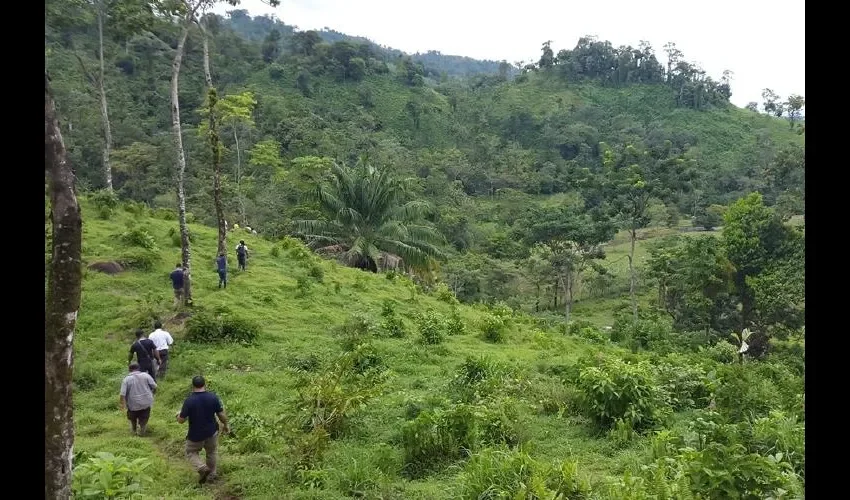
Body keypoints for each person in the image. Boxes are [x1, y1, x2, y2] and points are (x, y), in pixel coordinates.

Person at [177, 376, 230, 484]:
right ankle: (212, 474)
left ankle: (202, 467)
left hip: (195, 434)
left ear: (193, 386)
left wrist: (178, 415)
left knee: (191, 451)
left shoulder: (189, 400)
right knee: (211, 452)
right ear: (205, 384)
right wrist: (226, 424)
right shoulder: (213, 397)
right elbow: (221, 414)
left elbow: (181, 420)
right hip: (212, 432)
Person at [119, 362, 157, 436]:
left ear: (129, 370)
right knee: (145, 416)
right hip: (146, 402)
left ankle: (134, 430)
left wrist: (122, 405)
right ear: (138, 368)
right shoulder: (146, 375)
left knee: (132, 418)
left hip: (133, 404)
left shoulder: (126, 379)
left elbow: (122, 394)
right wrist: (152, 393)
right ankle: (142, 429)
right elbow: (155, 386)